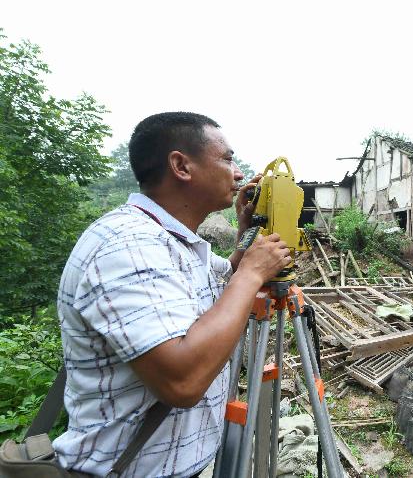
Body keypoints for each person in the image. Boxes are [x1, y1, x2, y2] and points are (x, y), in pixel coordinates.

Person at [52, 112, 290, 477]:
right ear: (181, 165)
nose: (239, 173)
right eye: (227, 158)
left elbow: (227, 277)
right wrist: (254, 273)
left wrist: (247, 231)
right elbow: (183, 381)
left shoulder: (174, 242)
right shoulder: (128, 245)